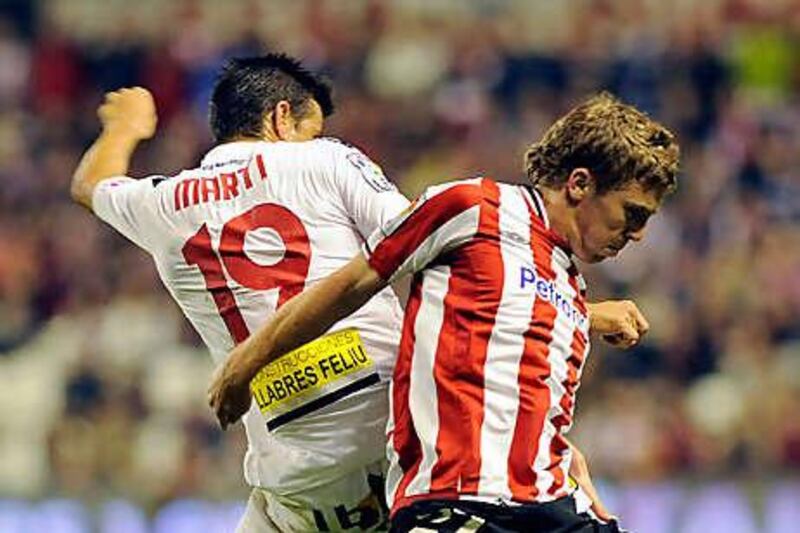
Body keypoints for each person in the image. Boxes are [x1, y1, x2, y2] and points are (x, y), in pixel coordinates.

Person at [72, 52, 645, 531]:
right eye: (312, 125)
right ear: (281, 119)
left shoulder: (161, 204)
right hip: (397, 441)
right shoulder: (325, 161)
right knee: (532, 449)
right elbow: (447, 257)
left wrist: (127, 126)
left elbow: (90, 184)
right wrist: (585, 312)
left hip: (296, 478)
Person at [208, 92, 678, 532]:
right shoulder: (473, 207)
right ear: (580, 183)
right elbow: (353, 283)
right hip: (458, 506)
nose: (635, 234)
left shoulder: (566, 281)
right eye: (632, 214)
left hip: (547, 508)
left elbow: (513, 378)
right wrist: (249, 359)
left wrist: (587, 316)